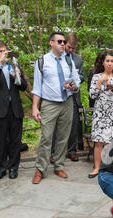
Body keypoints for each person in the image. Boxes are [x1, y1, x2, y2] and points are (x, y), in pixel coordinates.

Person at [31, 32, 81, 184]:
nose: (62, 44)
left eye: (63, 41)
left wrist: (73, 86)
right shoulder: (42, 61)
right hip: (49, 104)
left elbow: (77, 82)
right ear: (51, 43)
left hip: (67, 102)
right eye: (59, 41)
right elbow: (37, 87)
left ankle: (59, 165)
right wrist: (35, 107)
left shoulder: (69, 61)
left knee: (63, 137)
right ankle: (40, 169)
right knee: (46, 137)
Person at [0, 40, 27, 180]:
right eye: (0, 51)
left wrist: (17, 76)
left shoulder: (13, 65)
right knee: (0, 141)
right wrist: (0, 64)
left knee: (15, 141)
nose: (3, 54)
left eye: (5, 51)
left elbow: (23, 87)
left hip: (15, 109)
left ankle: (13, 167)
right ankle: (0, 168)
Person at [88, 50, 113, 178]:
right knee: (99, 142)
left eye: (112, 61)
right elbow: (92, 95)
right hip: (101, 114)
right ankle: (97, 168)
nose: (110, 63)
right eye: (107, 61)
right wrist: (100, 82)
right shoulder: (96, 76)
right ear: (103, 62)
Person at [50, 32, 85, 162]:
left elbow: (82, 76)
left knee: (74, 125)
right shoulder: (58, 56)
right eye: (69, 47)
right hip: (58, 96)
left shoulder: (78, 59)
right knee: (55, 126)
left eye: (73, 48)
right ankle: (52, 153)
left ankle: (72, 150)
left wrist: (76, 80)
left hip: (74, 96)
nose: (70, 50)